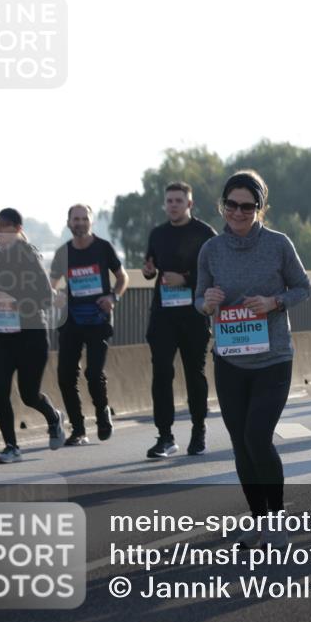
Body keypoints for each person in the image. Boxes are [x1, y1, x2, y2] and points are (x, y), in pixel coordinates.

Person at [195, 170, 310, 549]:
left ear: (260, 209)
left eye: (248, 206)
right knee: (240, 444)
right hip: (229, 359)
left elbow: (303, 287)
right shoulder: (211, 249)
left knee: (257, 437)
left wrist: (273, 302)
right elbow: (199, 301)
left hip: (273, 358)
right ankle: (258, 521)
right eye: (232, 205)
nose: (239, 212)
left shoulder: (278, 244)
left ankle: (277, 521)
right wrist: (207, 302)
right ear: (222, 206)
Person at [0, 209, 67, 463]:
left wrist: (16, 304)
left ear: (18, 229)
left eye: (5, 226)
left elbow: (45, 297)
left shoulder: (29, 254)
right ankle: (11, 446)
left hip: (31, 335)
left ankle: (53, 417)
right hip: (2, 334)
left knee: (29, 394)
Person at [141, 182, 217, 458]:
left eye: (178, 200)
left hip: (194, 316)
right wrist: (149, 271)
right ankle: (165, 436)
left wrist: (185, 279)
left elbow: (217, 274)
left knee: (194, 375)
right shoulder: (158, 234)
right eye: (169, 200)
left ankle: (198, 432)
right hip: (163, 316)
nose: (173, 205)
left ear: (189, 204)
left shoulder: (205, 234)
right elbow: (151, 268)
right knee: (161, 375)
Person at [51, 205, 129, 445]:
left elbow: (122, 277)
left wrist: (113, 297)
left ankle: (102, 413)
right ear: (68, 223)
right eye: (76, 219)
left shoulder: (103, 247)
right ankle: (78, 429)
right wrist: (55, 294)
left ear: (91, 222)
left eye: (85, 219)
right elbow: (50, 283)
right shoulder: (63, 253)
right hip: (72, 321)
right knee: (65, 376)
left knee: (93, 373)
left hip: (98, 320)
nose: (80, 223)